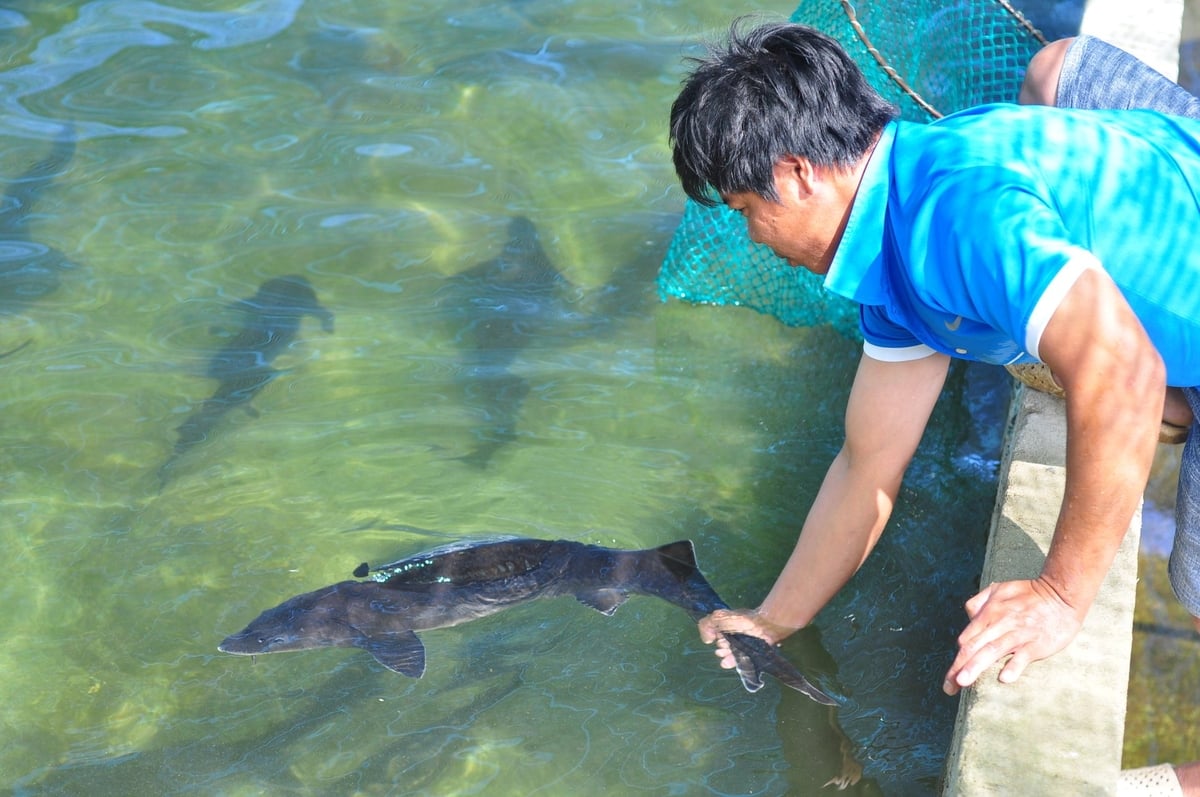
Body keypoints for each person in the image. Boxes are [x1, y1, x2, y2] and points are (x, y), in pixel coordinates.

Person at [669, 20, 1200, 793]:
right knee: (1057, 71)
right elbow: (867, 463)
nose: (752, 236)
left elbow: (1123, 377)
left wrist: (1058, 595)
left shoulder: (957, 216)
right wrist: (771, 620)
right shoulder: (895, 222)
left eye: (748, 207)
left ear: (798, 172)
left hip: (1143, 342)